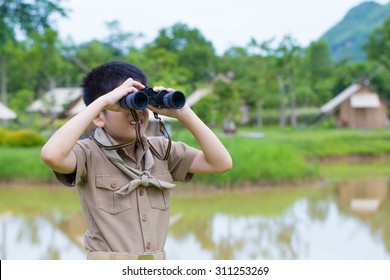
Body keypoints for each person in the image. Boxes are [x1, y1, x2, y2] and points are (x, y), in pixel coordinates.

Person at [40, 61, 232, 260]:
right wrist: (102, 102)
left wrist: (183, 112)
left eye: (140, 101)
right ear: (99, 117)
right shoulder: (88, 153)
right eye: (125, 103)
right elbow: (51, 155)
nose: (137, 111)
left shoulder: (161, 150)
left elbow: (220, 163)